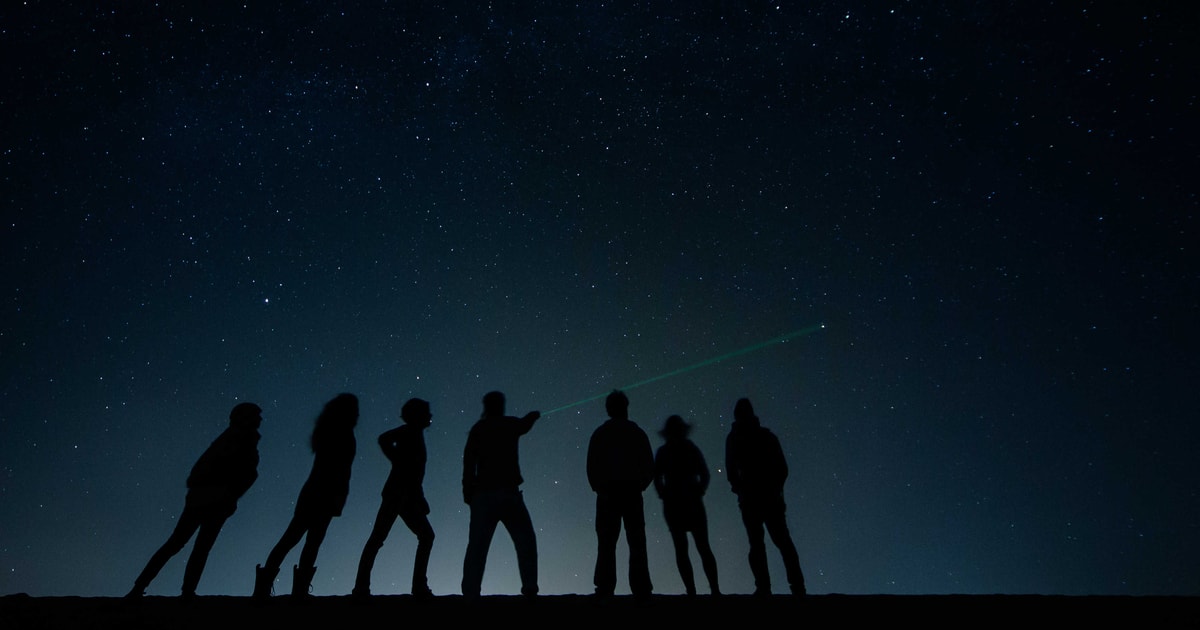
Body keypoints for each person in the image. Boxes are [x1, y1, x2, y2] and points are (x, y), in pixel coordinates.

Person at [126, 402, 262, 597]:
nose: (260, 419)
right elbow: (241, 473)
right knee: (189, 546)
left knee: (184, 545)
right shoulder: (237, 440)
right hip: (210, 500)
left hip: (206, 499)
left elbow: (240, 473)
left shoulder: (237, 439)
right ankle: (163, 589)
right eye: (256, 416)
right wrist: (227, 494)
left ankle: (149, 588)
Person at [253, 393, 358, 598]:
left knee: (294, 539)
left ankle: (267, 586)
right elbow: (340, 470)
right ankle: (293, 589)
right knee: (306, 540)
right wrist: (337, 496)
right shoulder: (341, 433)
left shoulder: (328, 431)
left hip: (315, 492)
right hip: (324, 493)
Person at [460, 391, 542, 597]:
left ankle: (470, 590)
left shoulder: (479, 428)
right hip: (507, 493)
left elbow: (468, 461)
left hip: (484, 495)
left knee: (478, 545)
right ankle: (530, 586)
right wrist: (533, 416)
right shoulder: (509, 424)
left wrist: (467, 490)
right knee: (525, 541)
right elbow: (525, 425)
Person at [352, 398, 436, 597]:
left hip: (406, 495)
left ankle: (417, 586)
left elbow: (414, 473)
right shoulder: (409, 431)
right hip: (397, 493)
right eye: (426, 412)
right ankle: (362, 587)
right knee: (379, 538)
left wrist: (420, 497)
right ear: (417, 415)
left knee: (422, 536)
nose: (430, 416)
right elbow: (384, 439)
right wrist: (397, 460)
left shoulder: (414, 433)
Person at [725, 398, 805, 596]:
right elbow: (782, 468)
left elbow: (730, 469)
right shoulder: (765, 436)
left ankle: (766, 587)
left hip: (757, 497)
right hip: (765, 497)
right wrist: (774, 489)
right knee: (779, 542)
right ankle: (794, 587)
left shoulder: (738, 438)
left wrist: (740, 488)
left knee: (765, 543)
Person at [586, 390, 654, 597]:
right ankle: (641, 587)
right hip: (630, 491)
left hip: (608, 493)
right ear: (626, 407)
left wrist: (599, 487)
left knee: (607, 543)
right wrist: (640, 484)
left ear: (609, 409)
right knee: (636, 541)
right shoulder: (637, 432)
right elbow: (649, 465)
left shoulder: (600, 433)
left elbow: (592, 465)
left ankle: (605, 587)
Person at [654, 414, 720, 595]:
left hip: (678, 503)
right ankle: (711, 589)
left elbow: (657, 478)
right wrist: (699, 490)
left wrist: (664, 494)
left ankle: (696, 590)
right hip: (688, 502)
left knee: (687, 548)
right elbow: (704, 473)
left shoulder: (665, 451)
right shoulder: (687, 448)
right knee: (698, 547)